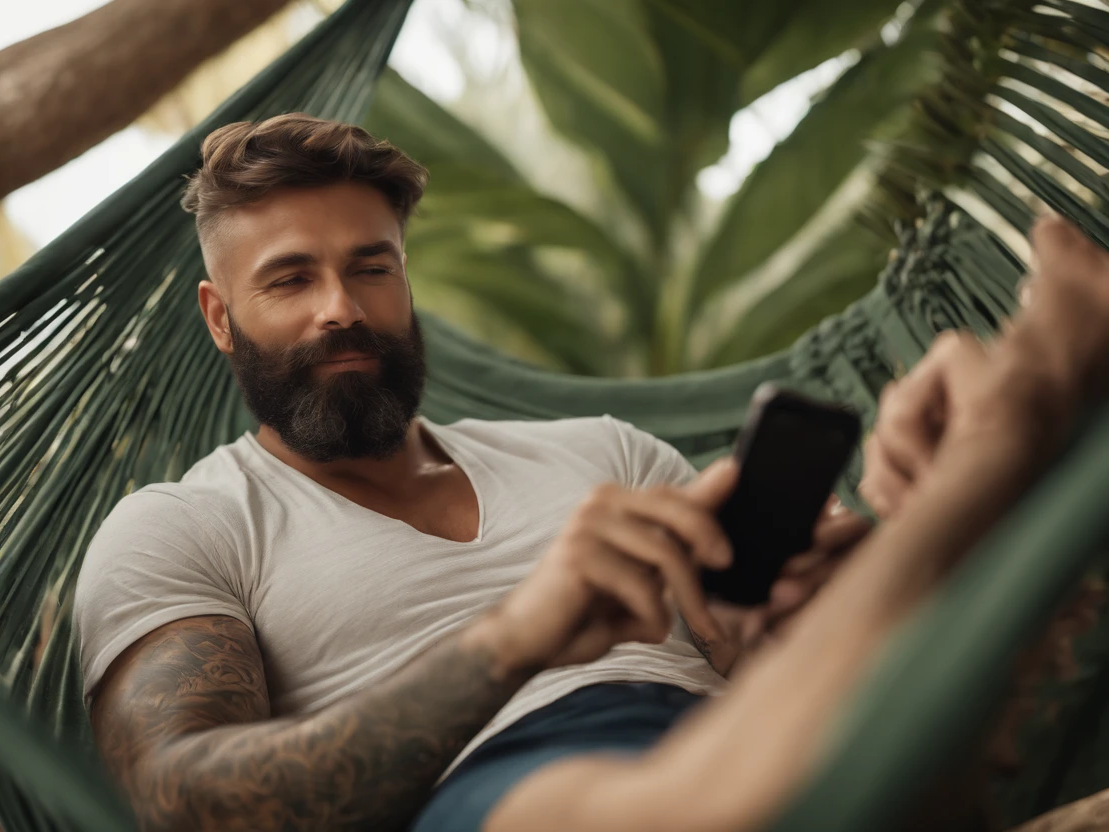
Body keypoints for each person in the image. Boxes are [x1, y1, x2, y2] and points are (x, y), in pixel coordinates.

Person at [72, 112, 1109, 832]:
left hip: (741, 735)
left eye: (371, 266)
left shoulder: (601, 452)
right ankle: (1006, 444)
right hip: (507, 791)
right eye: (290, 277)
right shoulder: (180, 526)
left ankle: (964, 538)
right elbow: (179, 800)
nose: (338, 305)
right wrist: (513, 640)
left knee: (843, 714)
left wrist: (789, 619)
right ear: (219, 318)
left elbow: (742, 650)